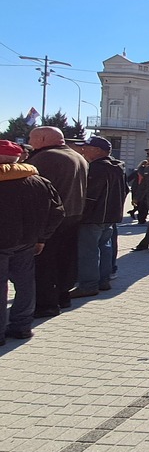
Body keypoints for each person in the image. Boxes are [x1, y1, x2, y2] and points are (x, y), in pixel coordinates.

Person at [0, 140, 64, 343]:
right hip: (27, 241)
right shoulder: (39, 181)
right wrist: (42, 237)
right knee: (26, 284)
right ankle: (22, 327)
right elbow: (57, 212)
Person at [26, 126, 88, 316]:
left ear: (43, 139)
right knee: (65, 260)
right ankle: (62, 296)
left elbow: (34, 190)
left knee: (44, 263)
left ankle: (46, 304)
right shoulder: (77, 155)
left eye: (32, 137)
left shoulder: (46, 157)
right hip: (73, 215)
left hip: (50, 219)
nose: (29, 141)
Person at [73, 136, 128, 297]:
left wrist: (81, 214)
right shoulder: (118, 167)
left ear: (97, 150)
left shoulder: (96, 168)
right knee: (105, 248)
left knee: (89, 251)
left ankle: (88, 285)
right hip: (110, 216)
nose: (83, 150)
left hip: (94, 217)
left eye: (87, 147)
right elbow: (125, 191)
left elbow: (90, 195)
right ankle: (103, 280)